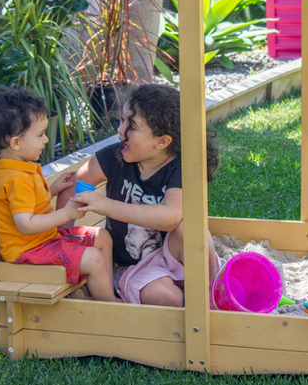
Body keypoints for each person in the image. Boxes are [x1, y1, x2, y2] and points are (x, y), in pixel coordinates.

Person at [57, 84, 220, 307]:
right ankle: (181, 294)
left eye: (130, 126)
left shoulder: (180, 167)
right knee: (168, 297)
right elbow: (74, 184)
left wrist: (106, 205)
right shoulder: (114, 158)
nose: (120, 131)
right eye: (121, 120)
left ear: (161, 141)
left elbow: (170, 216)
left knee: (189, 228)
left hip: (171, 255)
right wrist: (60, 231)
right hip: (131, 267)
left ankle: (212, 289)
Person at [0, 87, 120, 302]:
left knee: (101, 237)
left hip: (43, 241)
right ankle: (108, 306)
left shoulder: (18, 167)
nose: (45, 140)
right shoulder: (16, 178)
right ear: (15, 142)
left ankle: (98, 292)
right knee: (92, 258)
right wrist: (66, 213)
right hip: (28, 250)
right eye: (41, 135)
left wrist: (52, 190)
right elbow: (26, 224)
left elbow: (27, 202)